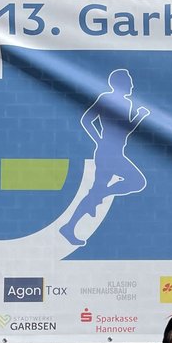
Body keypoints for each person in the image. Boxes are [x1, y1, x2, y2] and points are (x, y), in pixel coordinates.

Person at [61, 68, 150, 246]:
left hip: (115, 152)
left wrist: (139, 117)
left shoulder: (128, 103)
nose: (132, 84)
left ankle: (69, 227)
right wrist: (99, 140)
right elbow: (86, 120)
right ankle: (72, 224)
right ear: (120, 84)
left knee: (97, 192)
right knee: (137, 182)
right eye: (129, 81)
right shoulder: (106, 99)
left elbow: (125, 132)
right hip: (107, 153)